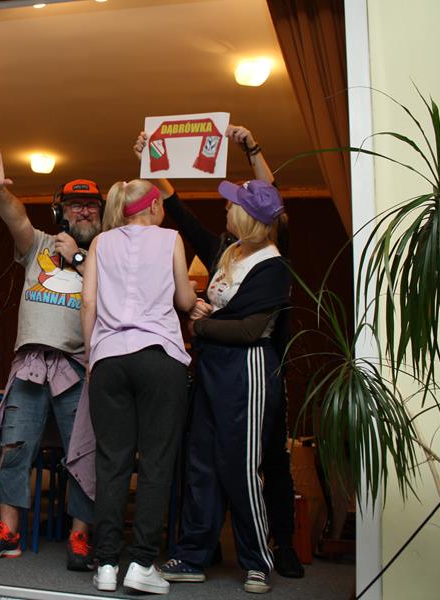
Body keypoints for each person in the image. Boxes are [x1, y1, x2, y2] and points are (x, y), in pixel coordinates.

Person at [137, 126, 304, 581]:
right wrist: (153, 160)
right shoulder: (226, 253)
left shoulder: (273, 265)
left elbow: (249, 329)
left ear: (249, 215)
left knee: (241, 466)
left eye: (233, 203)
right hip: (212, 366)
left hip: (248, 371)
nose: (225, 207)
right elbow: (182, 214)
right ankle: (193, 556)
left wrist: (201, 323)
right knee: (202, 462)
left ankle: (257, 562)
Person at [0, 146, 98, 571]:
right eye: (76, 204)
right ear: (60, 210)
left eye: (91, 206)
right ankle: (8, 533)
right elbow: (15, 217)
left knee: (83, 451)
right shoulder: (39, 243)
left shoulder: (106, 253)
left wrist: (77, 257)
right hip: (30, 363)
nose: (84, 211)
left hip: (77, 367)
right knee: (13, 447)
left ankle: (80, 536)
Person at [81, 180, 196, 594]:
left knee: (111, 462)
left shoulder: (100, 243)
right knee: (156, 462)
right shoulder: (170, 239)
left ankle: (107, 564)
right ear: (154, 206)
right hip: (159, 356)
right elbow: (184, 301)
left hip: (109, 358)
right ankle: (142, 564)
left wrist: (92, 356)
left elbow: (88, 303)